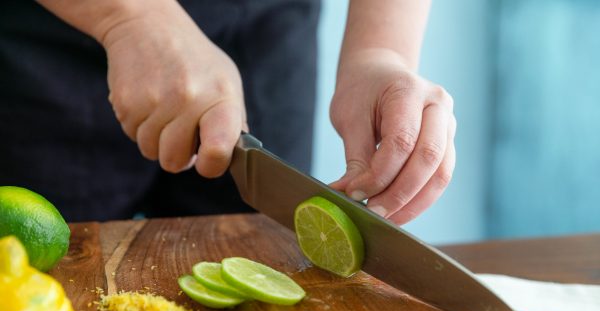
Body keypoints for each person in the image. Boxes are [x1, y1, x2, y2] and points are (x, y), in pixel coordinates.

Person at [0, 0, 455, 225]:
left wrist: (379, 51)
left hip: (266, 24)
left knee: (258, 250)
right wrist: (129, 16)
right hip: (44, 39)